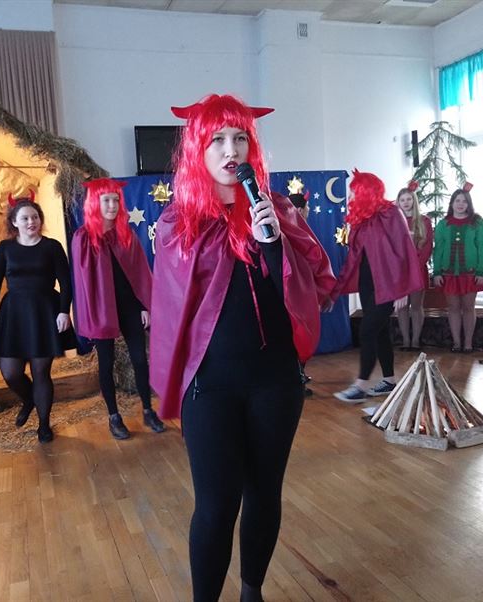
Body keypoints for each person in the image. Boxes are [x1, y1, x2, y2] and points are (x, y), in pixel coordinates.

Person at [149, 93, 335, 602]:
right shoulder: (178, 223)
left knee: (264, 493)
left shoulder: (277, 211)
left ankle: (252, 592)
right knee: (216, 505)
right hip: (211, 386)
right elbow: (172, 311)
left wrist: (272, 242)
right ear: (198, 149)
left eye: (240, 139)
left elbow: (316, 286)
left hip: (275, 381)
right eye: (217, 140)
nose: (231, 150)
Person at [71, 178, 165, 439]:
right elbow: (83, 283)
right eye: (106, 200)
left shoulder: (125, 234)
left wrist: (144, 305)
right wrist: (91, 316)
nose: (112, 205)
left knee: (139, 359)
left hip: (129, 306)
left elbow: (140, 272)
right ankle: (114, 416)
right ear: (95, 203)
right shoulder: (83, 238)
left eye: (115, 200)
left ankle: (148, 409)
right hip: (102, 308)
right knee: (107, 363)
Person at [324, 171, 424, 403]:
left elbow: (404, 251)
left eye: (353, 192)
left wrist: (402, 289)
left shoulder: (391, 213)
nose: (350, 197)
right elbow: (352, 260)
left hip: (388, 286)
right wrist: (334, 293)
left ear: (366, 191)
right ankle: (389, 380)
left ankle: (360, 385)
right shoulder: (361, 220)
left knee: (367, 330)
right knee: (380, 332)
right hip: (368, 286)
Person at [0, 192, 75, 443]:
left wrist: (64, 311)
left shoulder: (52, 247)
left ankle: (44, 425)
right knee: (11, 373)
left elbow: (66, 282)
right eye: (25, 218)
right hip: (13, 314)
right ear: (14, 222)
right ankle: (28, 400)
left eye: (35, 217)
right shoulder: (5, 249)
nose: (31, 222)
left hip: (45, 313)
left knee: (41, 372)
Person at [432, 184, 483, 353]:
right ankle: (457, 342)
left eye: (464, 201)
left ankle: (468, 343)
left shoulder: (477, 223)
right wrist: (437, 272)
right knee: (453, 308)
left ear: (469, 204)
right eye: (457, 201)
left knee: (468, 307)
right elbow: (438, 249)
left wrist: (481, 270)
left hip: (471, 273)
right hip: (448, 274)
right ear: (451, 203)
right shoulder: (443, 224)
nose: (460, 204)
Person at [395, 181, 433, 351]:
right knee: (402, 307)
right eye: (402, 200)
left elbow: (427, 247)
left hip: (417, 270)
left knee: (416, 307)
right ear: (398, 202)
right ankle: (405, 340)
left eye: (409, 199)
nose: (406, 202)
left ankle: (416, 340)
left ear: (414, 201)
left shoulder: (424, 221)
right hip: (400, 272)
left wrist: (414, 267)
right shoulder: (394, 222)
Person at [288, 191, 314, 397]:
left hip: (299, 292)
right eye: (307, 208)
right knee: (298, 334)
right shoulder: (294, 233)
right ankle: (296, 378)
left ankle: (299, 376)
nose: (308, 211)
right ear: (299, 210)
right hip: (296, 293)